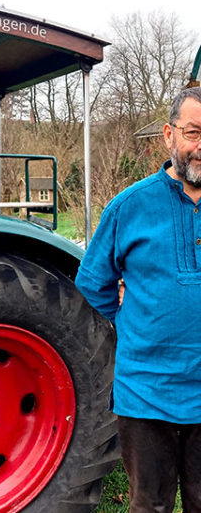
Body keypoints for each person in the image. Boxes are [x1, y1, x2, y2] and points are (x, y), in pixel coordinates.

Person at [75, 86, 201, 513]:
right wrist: (136, 322)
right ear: (169, 135)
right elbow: (93, 283)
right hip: (147, 391)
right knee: (150, 505)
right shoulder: (128, 207)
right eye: (193, 132)